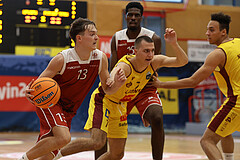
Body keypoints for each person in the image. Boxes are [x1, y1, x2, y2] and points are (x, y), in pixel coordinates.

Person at [53, 28, 188, 160]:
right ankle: (55, 155)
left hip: (120, 106)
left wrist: (174, 44)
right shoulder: (126, 66)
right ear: (135, 51)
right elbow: (112, 77)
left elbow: (182, 61)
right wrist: (114, 80)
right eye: (146, 51)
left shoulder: (154, 62)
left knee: (117, 154)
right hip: (104, 101)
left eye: (152, 51)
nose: (150, 55)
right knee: (97, 142)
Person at [19, 17, 125, 160]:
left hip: (69, 109)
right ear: (79, 38)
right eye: (92, 34)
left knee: (49, 154)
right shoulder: (62, 59)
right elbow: (39, 84)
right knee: (63, 138)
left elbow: (107, 89)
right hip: (51, 102)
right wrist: (29, 90)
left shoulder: (100, 58)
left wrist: (117, 84)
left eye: (96, 34)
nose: (96, 37)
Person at [152, 12, 238, 160]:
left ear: (223, 32)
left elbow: (192, 81)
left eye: (212, 30)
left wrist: (161, 84)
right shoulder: (238, 42)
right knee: (224, 130)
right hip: (234, 101)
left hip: (236, 101)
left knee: (207, 140)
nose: (207, 33)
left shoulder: (218, 54)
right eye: (207, 29)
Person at [96, 2, 164, 160]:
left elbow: (155, 65)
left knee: (157, 117)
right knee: (103, 128)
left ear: (141, 17)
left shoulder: (153, 37)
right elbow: (112, 68)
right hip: (121, 89)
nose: (133, 18)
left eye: (136, 15)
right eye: (130, 15)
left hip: (143, 87)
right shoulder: (117, 37)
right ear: (125, 16)